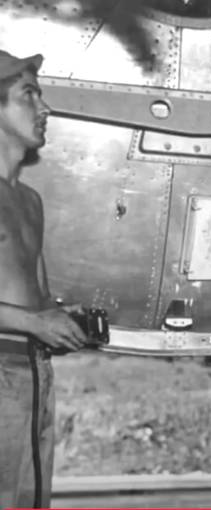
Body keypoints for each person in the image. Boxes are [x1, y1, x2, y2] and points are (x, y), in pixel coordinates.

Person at [0, 50, 87, 508]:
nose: (45, 108)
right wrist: (34, 324)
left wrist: (58, 318)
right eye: (29, 95)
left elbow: (40, 300)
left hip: (34, 374)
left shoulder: (30, 201)